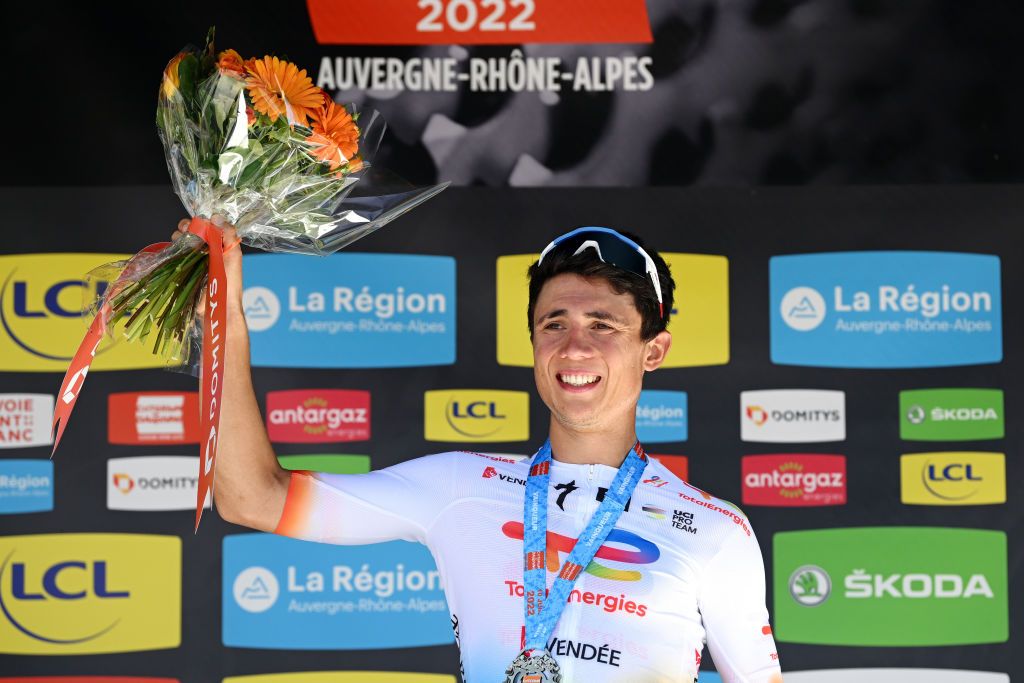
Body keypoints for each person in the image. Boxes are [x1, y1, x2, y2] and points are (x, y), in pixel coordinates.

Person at [174, 219, 784, 683]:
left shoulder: (715, 531)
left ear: (654, 350)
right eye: (554, 324)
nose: (574, 348)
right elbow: (251, 496)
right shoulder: (460, 487)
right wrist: (223, 316)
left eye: (604, 325)